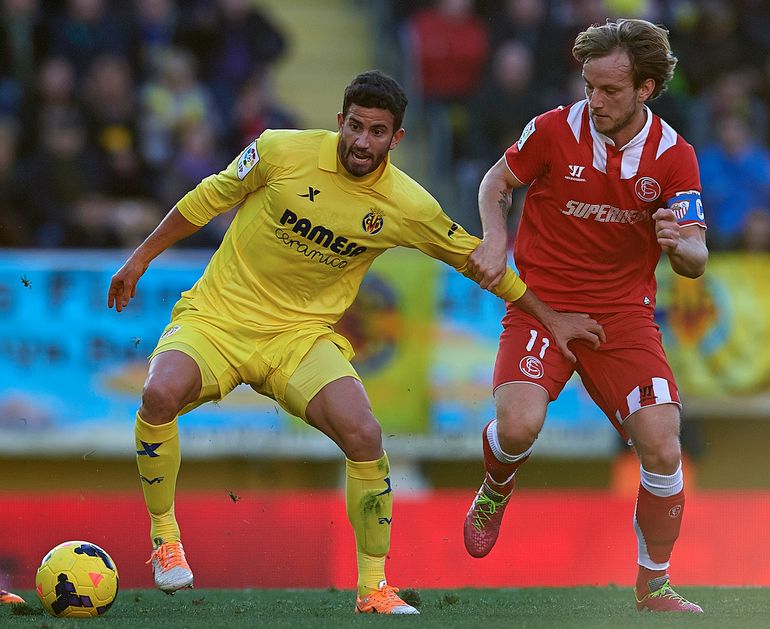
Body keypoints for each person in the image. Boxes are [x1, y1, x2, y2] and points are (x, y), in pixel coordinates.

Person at [107, 70, 603, 615]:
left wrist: (550, 319)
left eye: (377, 132)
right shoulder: (279, 151)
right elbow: (206, 200)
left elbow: (476, 262)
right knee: (157, 395)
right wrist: (139, 259)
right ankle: (165, 539)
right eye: (356, 127)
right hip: (219, 320)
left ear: (397, 139)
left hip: (300, 340)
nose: (362, 142)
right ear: (340, 122)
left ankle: (373, 588)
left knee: (365, 435)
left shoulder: (406, 204)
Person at [462, 19, 708, 614]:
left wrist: (682, 246)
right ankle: (495, 489)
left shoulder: (674, 157)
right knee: (517, 427)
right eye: (590, 87)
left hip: (622, 314)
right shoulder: (553, 129)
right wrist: (495, 239)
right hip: (541, 307)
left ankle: (654, 583)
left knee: (663, 447)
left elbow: (696, 259)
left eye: (610, 92)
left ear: (645, 90)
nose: (594, 101)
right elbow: (498, 180)